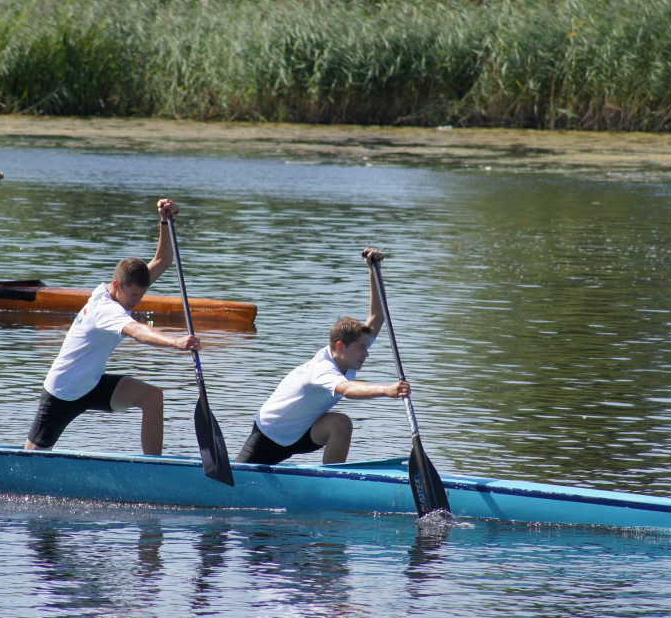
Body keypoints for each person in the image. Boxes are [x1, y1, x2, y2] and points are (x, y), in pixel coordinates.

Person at [24, 199, 201, 455]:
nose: (137, 301)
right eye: (133, 296)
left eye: (142, 295)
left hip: (92, 385)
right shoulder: (106, 310)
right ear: (116, 286)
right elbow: (139, 332)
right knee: (31, 460)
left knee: (152, 397)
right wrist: (175, 341)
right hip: (63, 392)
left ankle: (154, 469)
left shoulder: (118, 289)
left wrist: (163, 220)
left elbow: (162, 260)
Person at [237, 248, 410, 465]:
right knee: (230, 486)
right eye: (361, 348)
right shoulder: (322, 369)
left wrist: (374, 270)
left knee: (341, 424)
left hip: (303, 433)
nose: (367, 353)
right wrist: (388, 390)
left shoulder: (348, 354)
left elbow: (377, 316)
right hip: (270, 435)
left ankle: (330, 482)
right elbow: (348, 390)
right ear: (341, 346)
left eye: (366, 348)